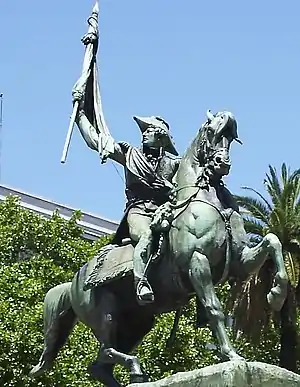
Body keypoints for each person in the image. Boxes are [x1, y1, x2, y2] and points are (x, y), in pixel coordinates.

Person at [75, 107, 180, 305]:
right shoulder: (130, 154)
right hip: (139, 211)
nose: (144, 134)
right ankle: (141, 282)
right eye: (144, 130)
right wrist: (81, 116)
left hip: (165, 212)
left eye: (149, 130)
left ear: (161, 137)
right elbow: (95, 140)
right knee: (146, 235)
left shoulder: (174, 165)